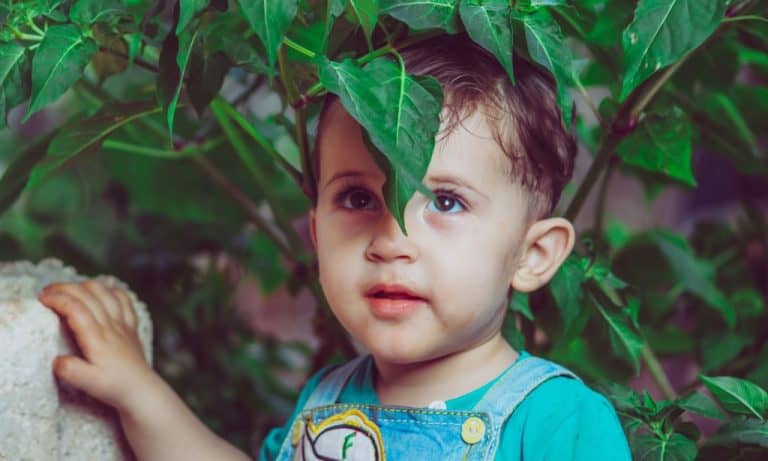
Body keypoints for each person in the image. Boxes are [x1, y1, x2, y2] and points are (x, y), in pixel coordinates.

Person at [37, 33, 631, 460]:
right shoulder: (325, 403)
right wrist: (139, 390)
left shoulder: (558, 424)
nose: (392, 240)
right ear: (317, 233)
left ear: (534, 255)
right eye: (357, 199)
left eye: (445, 202)